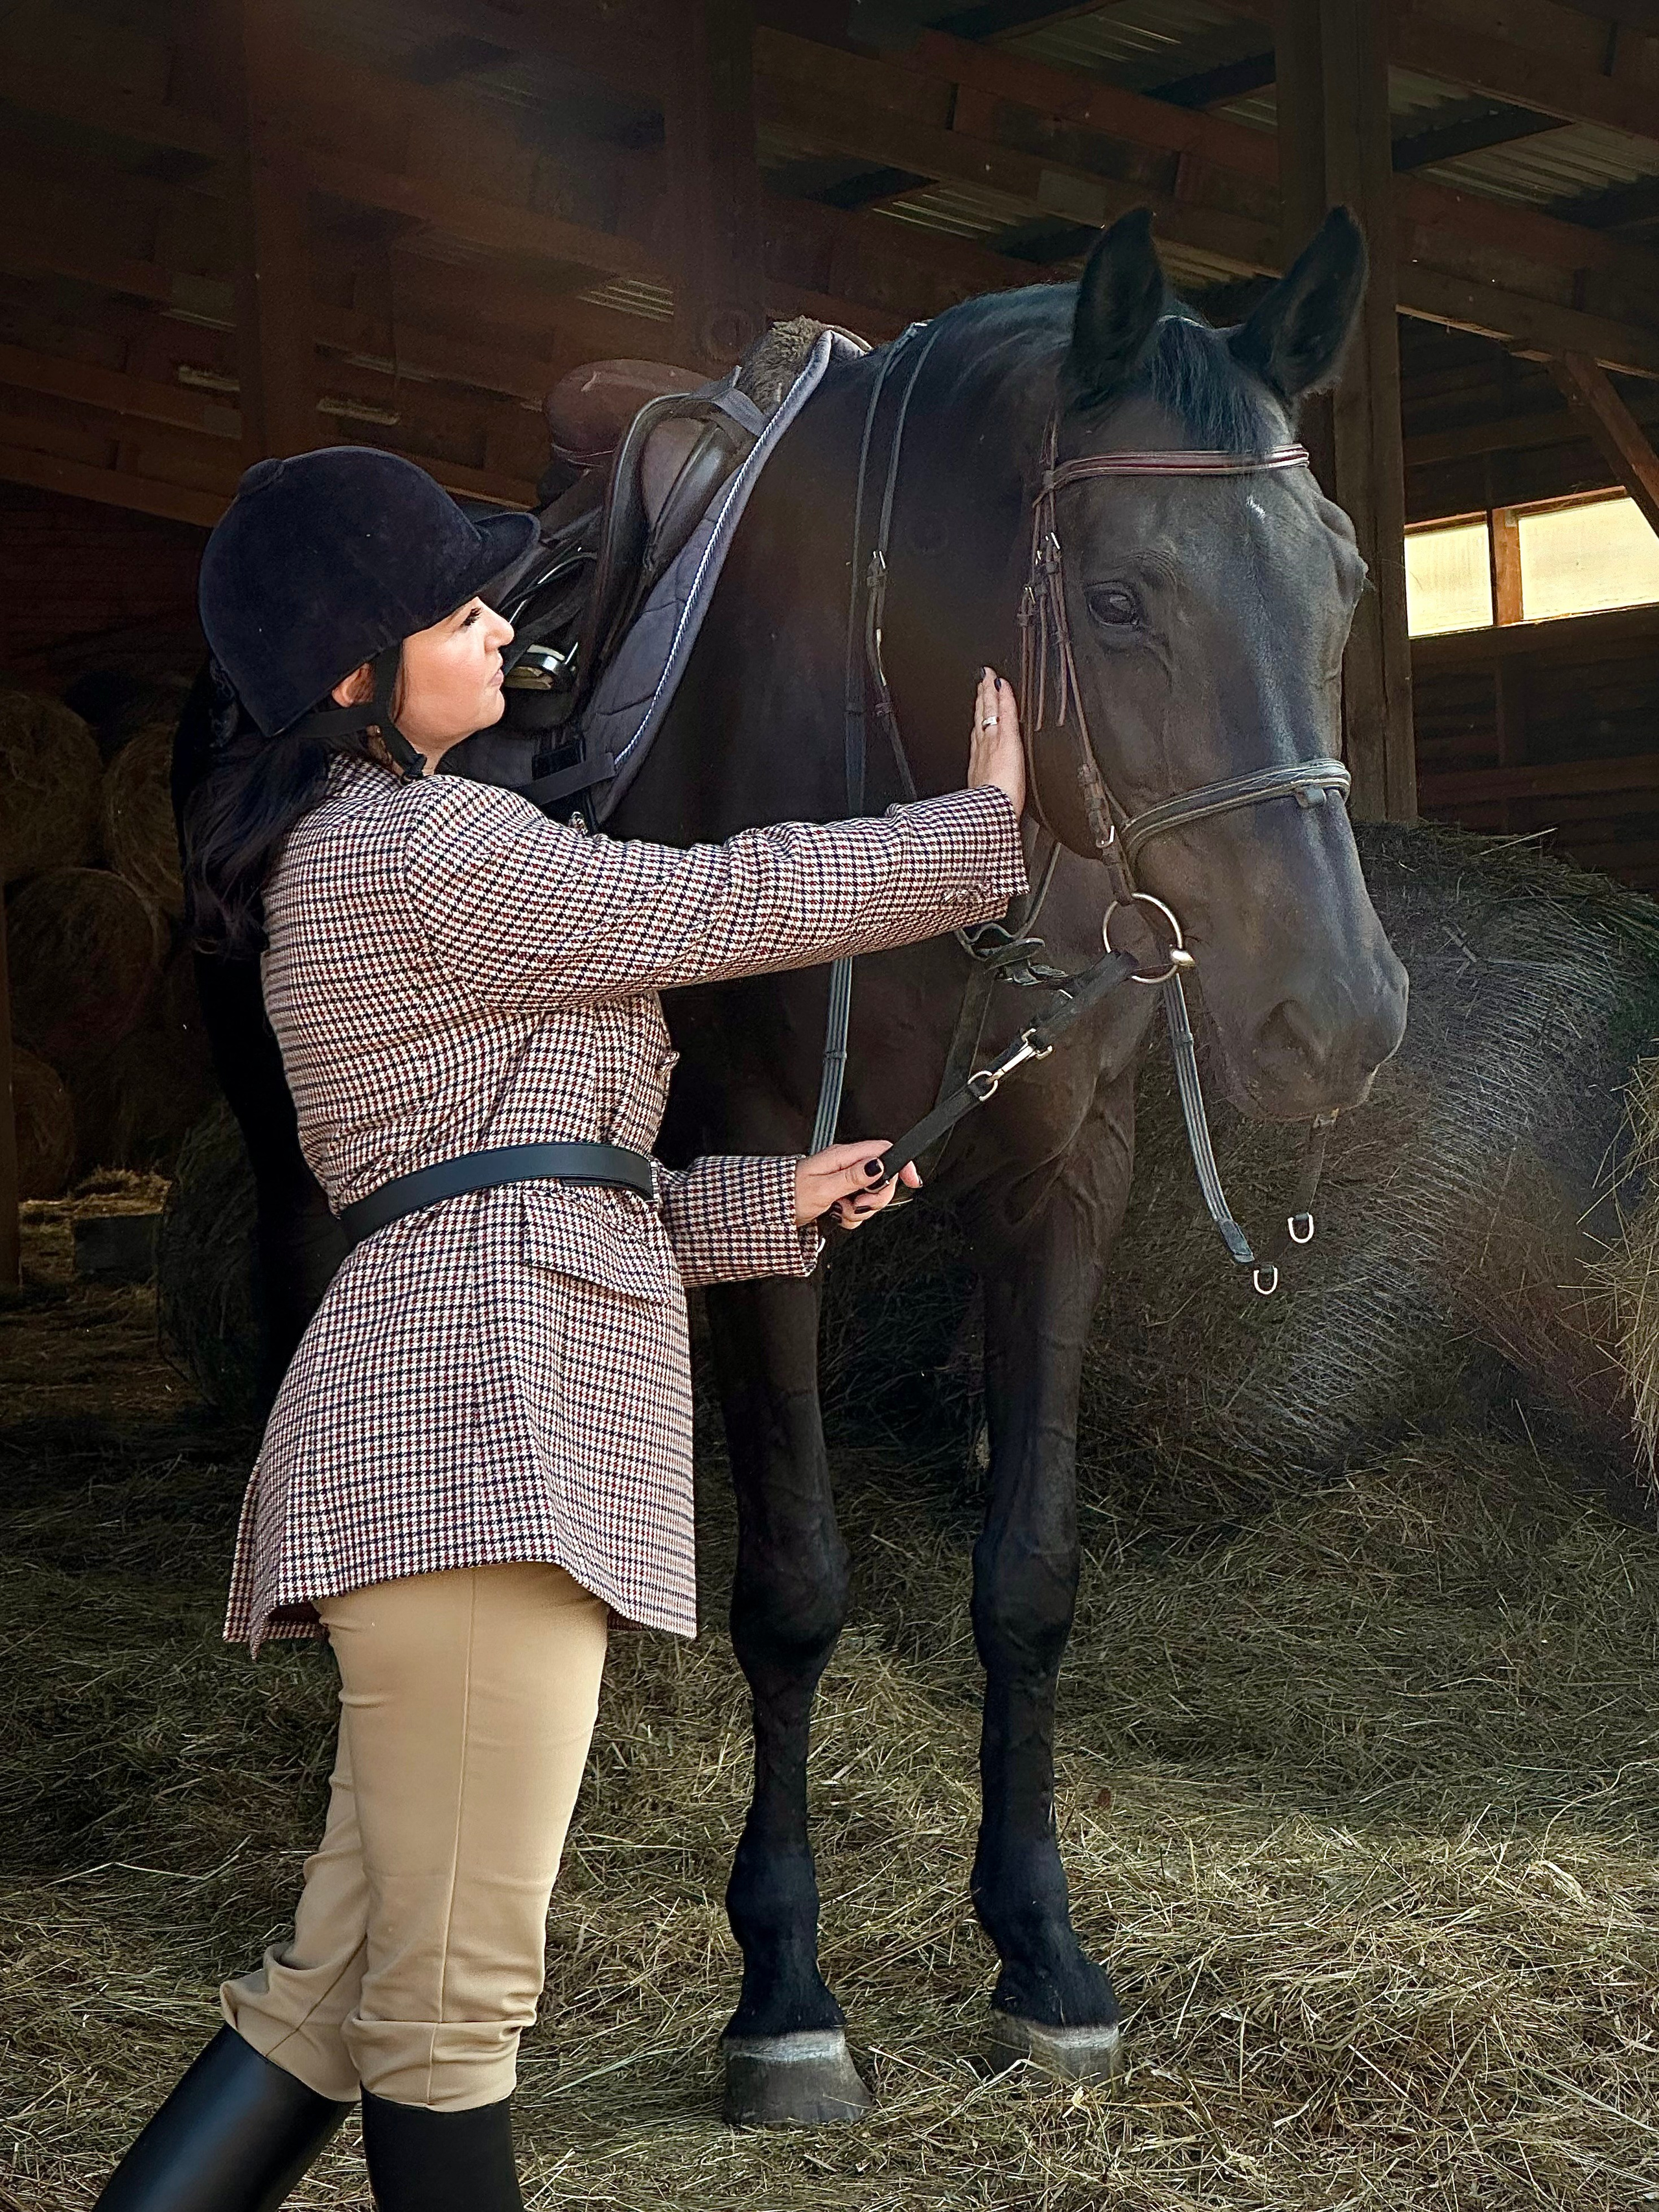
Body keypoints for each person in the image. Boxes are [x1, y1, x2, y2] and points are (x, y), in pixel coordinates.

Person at [94, 447, 1027, 2212]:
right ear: (356, 674)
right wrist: (972, 841)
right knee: (452, 2013)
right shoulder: (421, 842)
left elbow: (539, 1191)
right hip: (475, 1445)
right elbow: (718, 903)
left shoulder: (391, 849)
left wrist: (773, 1206)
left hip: (466, 1406)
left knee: (335, 1999)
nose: (499, 626)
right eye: (458, 609)